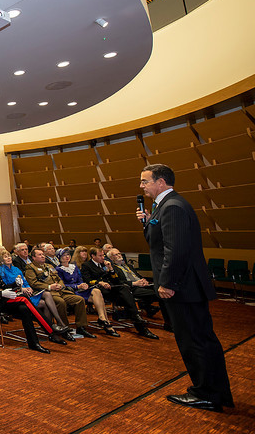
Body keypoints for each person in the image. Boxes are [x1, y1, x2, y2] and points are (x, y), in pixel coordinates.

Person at [138, 164, 233, 411]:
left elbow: (176, 250)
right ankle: (215, 392)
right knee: (200, 340)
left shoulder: (173, 207)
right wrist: (148, 223)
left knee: (194, 342)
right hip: (185, 286)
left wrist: (168, 283)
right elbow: (160, 243)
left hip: (181, 288)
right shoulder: (165, 206)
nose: (141, 186)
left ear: (161, 182)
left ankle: (206, 394)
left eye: (145, 181)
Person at [0, 252, 62, 353]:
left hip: (4, 300)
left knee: (25, 309)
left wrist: (15, 284)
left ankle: (34, 343)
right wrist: (1, 293)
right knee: (23, 298)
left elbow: (3, 286)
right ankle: (50, 328)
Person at [81, 248, 158, 339]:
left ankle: (138, 322)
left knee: (125, 291)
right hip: (99, 291)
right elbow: (87, 280)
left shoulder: (104, 264)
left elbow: (115, 279)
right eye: (100, 255)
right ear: (93, 256)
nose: (103, 257)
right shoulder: (87, 265)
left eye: (103, 255)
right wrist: (99, 282)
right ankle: (138, 322)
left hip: (111, 288)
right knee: (127, 297)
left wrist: (111, 269)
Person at [25, 248, 96, 339]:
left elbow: (58, 278)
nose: (43, 256)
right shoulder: (30, 267)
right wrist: (50, 287)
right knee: (60, 302)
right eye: (39, 255)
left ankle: (81, 327)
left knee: (79, 300)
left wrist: (60, 285)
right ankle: (64, 327)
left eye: (43, 254)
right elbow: (33, 283)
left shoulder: (49, 266)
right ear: (33, 258)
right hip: (48, 293)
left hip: (60, 290)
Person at [55, 250, 119, 337]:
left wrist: (83, 284)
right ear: (59, 258)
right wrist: (77, 286)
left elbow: (80, 279)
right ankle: (107, 324)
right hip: (71, 291)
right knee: (98, 297)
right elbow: (62, 285)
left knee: (97, 291)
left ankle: (102, 318)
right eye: (64, 256)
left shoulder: (74, 267)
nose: (67, 257)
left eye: (68, 255)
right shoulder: (58, 269)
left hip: (81, 289)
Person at [106, 248, 169, 328]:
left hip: (142, 286)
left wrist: (144, 280)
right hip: (131, 288)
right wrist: (134, 283)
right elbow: (117, 283)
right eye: (116, 254)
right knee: (160, 295)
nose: (119, 255)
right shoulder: (113, 269)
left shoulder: (128, 266)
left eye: (119, 253)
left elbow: (138, 276)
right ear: (111, 258)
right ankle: (168, 322)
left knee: (161, 289)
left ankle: (149, 308)